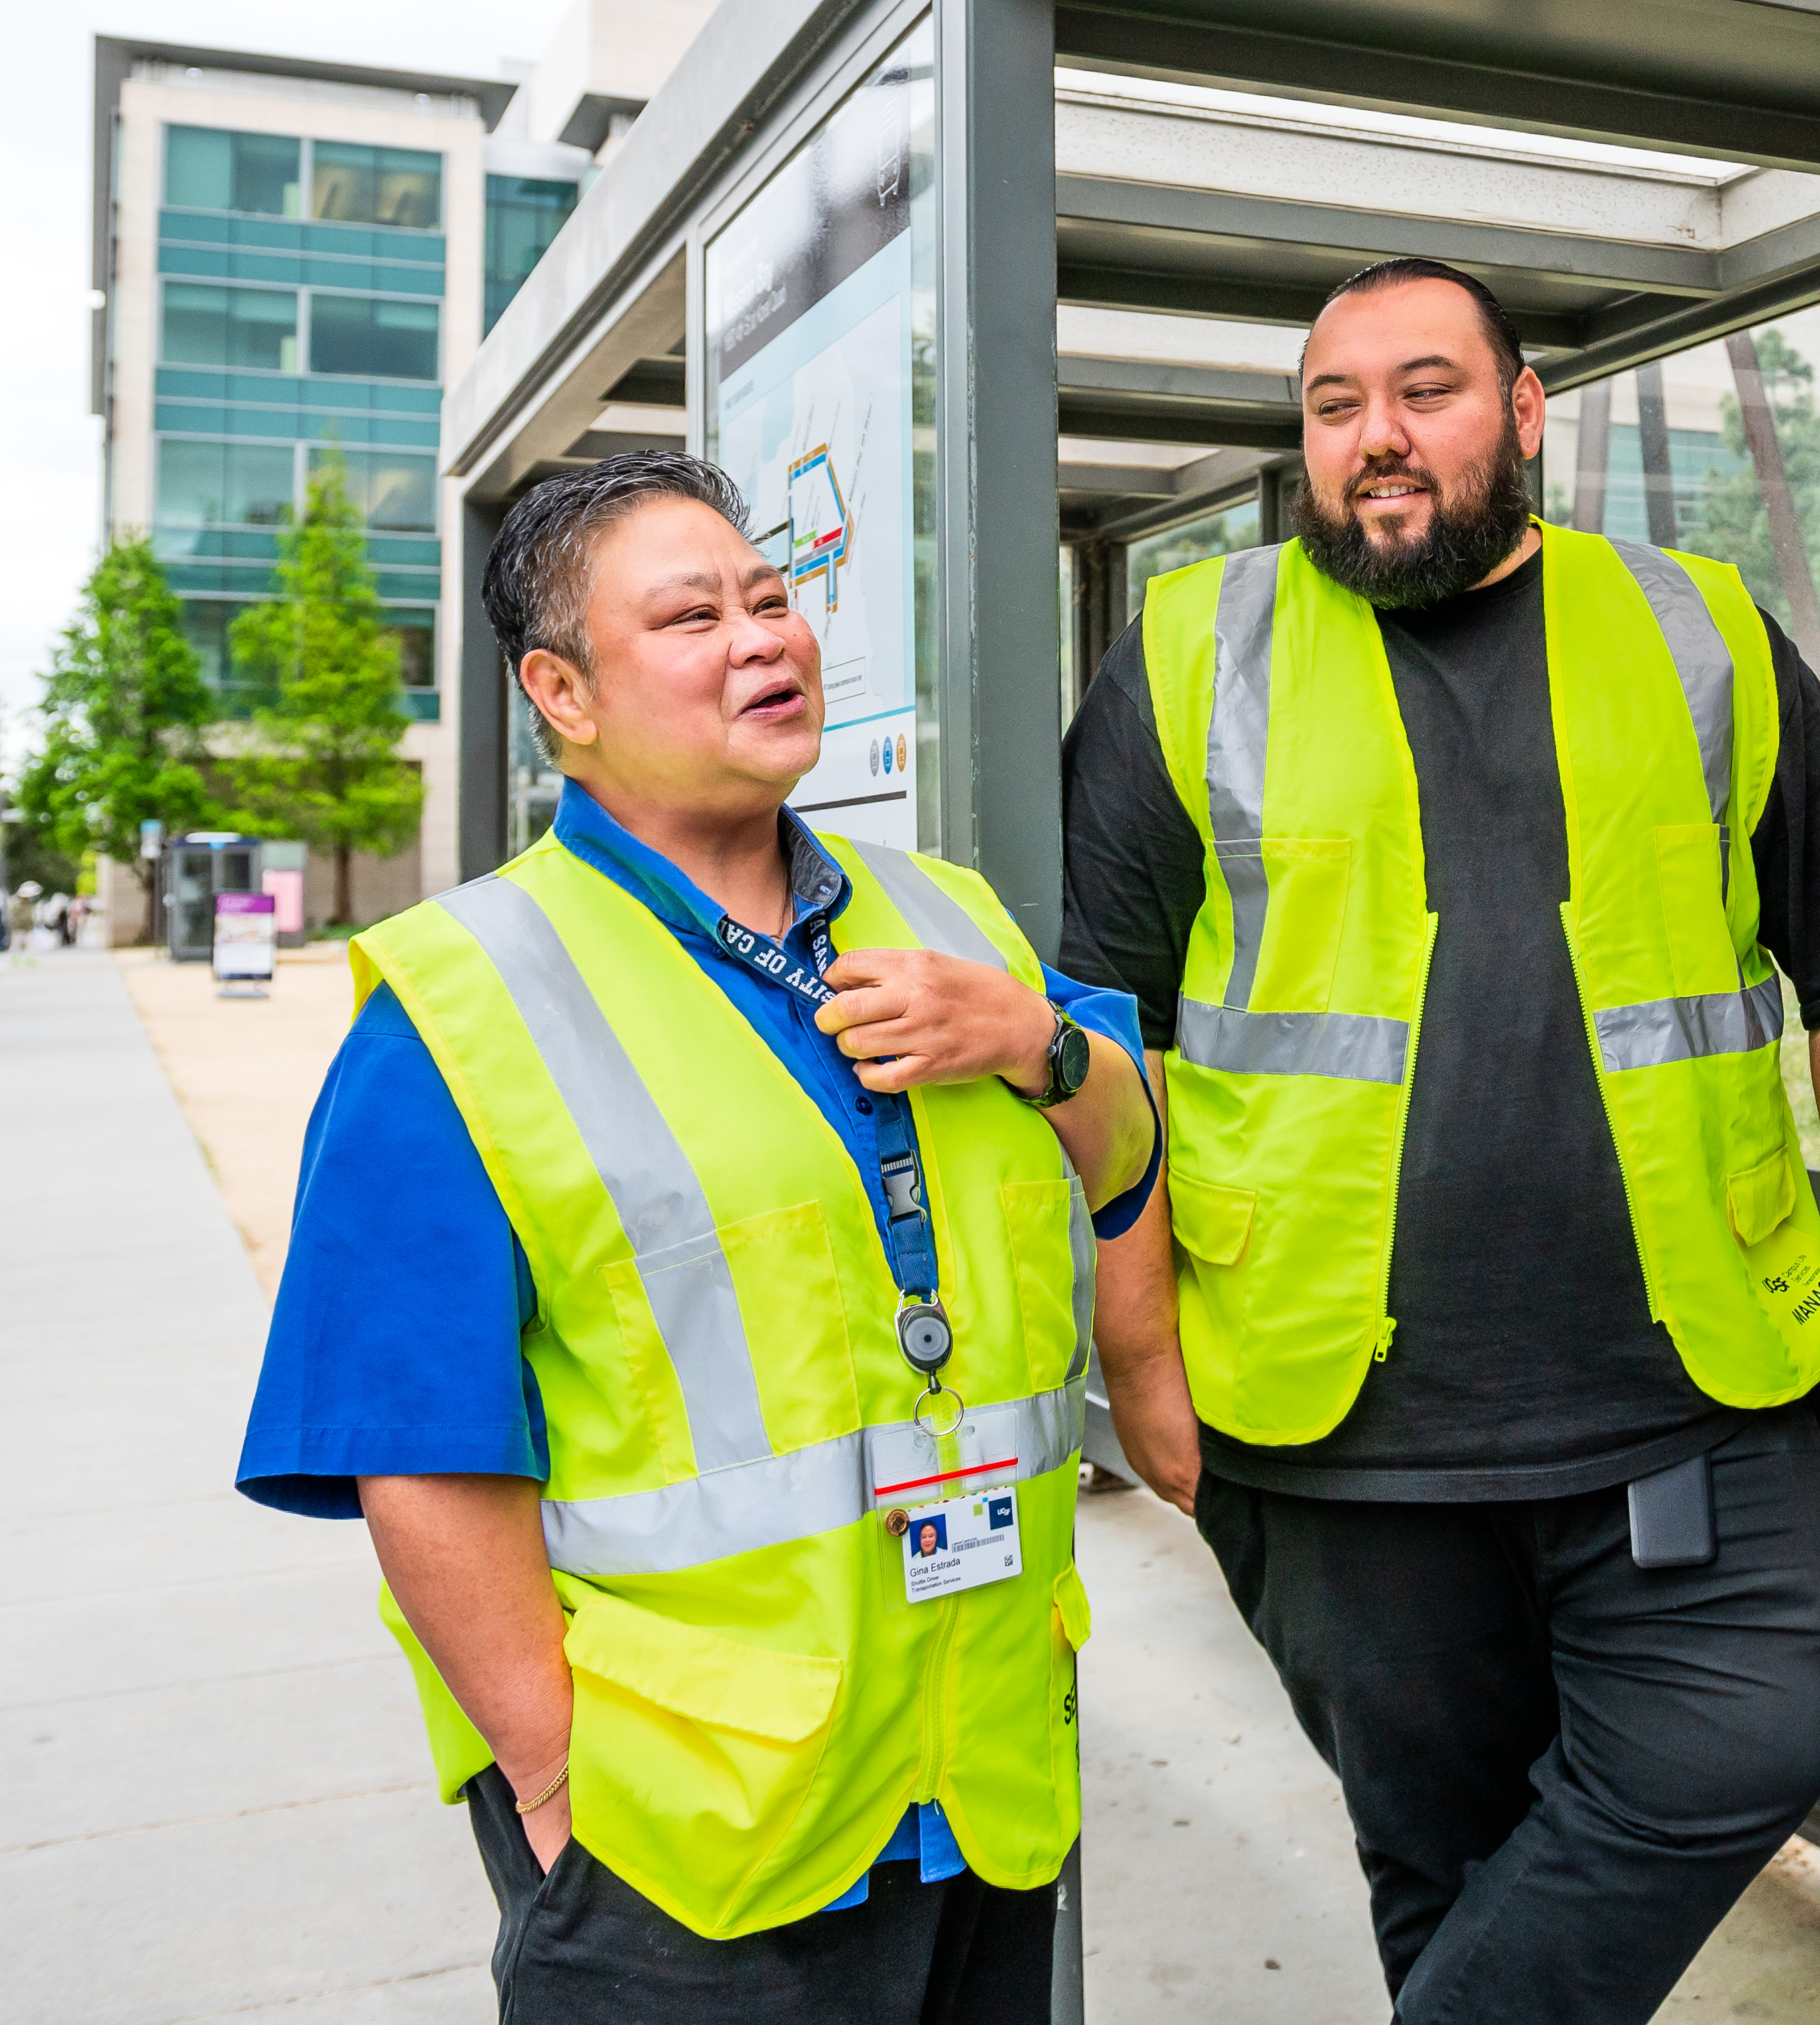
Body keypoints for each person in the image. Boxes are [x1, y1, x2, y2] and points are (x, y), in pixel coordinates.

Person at [1061, 257, 1820, 2020]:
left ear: (1526, 411)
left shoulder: (1695, 626)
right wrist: (1140, 1343)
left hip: (1689, 1378)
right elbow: (1105, 1034)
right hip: (1335, 1421)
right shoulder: (1187, 649)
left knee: (1745, 1732)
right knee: (1443, 1863)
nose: (1376, 440)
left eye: (1425, 391)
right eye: (1334, 407)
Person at [235, 452, 1164, 2022]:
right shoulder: (462, 1005)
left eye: (771, 597)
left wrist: (1036, 1042)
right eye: (691, 614)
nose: (762, 638)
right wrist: (555, 1781)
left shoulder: (947, 918)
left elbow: (1130, 1157)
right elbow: (417, 1448)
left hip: (981, 1783)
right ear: (561, 690)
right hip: (679, 1846)